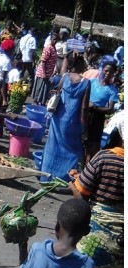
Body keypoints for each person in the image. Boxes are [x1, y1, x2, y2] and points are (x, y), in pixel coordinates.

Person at [66, 112, 124, 268]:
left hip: (95, 234)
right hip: (120, 243)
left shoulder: (104, 159)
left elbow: (80, 195)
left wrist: (74, 182)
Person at [40, 52, 90, 182]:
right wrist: (85, 129)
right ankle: (63, 179)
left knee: (53, 145)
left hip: (59, 118)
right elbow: (84, 108)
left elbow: (57, 92)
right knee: (72, 149)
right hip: (73, 121)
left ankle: (46, 177)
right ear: (80, 64)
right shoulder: (86, 83)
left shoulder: (65, 77)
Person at [85, 58, 119, 163]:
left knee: (93, 146)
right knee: (81, 142)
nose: (108, 73)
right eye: (106, 70)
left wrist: (94, 107)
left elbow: (110, 109)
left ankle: (89, 169)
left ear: (113, 74)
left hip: (97, 119)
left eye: (111, 72)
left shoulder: (112, 90)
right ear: (102, 70)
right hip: (85, 115)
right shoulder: (91, 82)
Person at [31, 33, 58, 106]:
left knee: (44, 91)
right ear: (51, 39)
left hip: (48, 74)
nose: (55, 41)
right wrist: (44, 73)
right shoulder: (48, 48)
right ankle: (34, 103)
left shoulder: (54, 48)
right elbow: (43, 61)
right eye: (54, 39)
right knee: (39, 89)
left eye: (56, 40)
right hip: (43, 73)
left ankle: (39, 104)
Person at [0, 39, 15, 110]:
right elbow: (3, 80)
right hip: (0, 88)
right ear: (11, 49)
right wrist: (4, 99)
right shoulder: (6, 61)